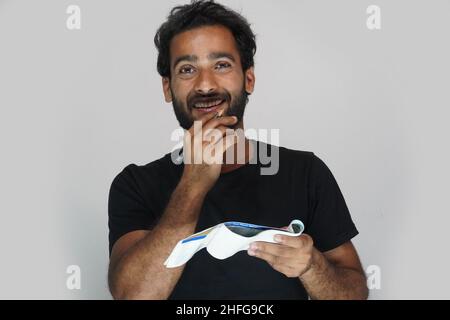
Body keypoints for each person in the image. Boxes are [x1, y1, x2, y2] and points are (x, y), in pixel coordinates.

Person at [107, 0, 368, 300]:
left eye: (221, 65)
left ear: (249, 79)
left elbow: (354, 293)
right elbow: (133, 296)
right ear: (168, 88)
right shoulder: (135, 185)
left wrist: (311, 265)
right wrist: (193, 184)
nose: (205, 85)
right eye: (188, 69)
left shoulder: (306, 173)